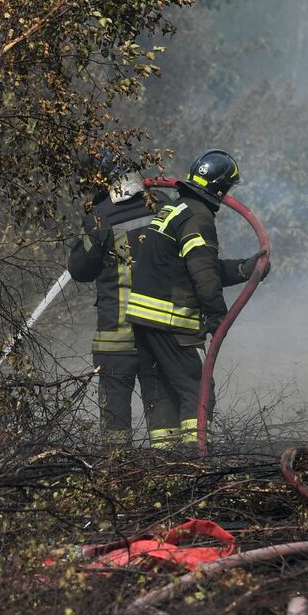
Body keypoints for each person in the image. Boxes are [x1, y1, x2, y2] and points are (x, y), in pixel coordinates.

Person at [126, 149, 269, 447]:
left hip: (143, 319)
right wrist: (217, 314)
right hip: (172, 319)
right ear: (220, 188)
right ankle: (195, 459)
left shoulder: (176, 210)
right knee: (197, 389)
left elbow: (190, 265)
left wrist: (243, 269)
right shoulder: (199, 217)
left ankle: (164, 467)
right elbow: (202, 270)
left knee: (162, 392)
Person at [66, 164, 176, 448]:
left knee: (115, 426)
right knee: (164, 418)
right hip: (158, 334)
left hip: (116, 342)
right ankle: (170, 475)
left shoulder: (98, 218)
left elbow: (79, 270)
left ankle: (118, 477)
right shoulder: (161, 206)